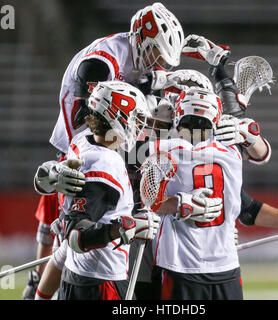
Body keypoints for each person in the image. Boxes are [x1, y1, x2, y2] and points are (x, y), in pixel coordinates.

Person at [23, 1, 185, 299]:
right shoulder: (102, 64)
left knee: (64, 235)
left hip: (92, 141)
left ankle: (37, 289)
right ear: (141, 39)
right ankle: (37, 280)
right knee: (70, 224)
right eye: (156, 54)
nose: (158, 63)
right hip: (84, 141)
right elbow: (92, 112)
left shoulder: (135, 62)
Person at [149, 87, 278, 300]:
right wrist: (249, 135)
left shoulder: (159, 149)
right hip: (220, 268)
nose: (194, 130)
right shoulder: (230, 152)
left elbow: (245, 207)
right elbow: (261, 157)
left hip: (183, 267)